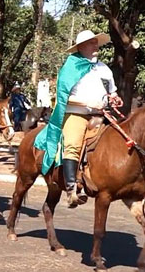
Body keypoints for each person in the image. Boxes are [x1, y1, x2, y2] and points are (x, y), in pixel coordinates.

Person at [34, 30, 122, 207]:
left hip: (101, 115)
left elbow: (112, 91)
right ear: (81, 47)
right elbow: (63, 98)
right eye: (91, 43)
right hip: (76, 114)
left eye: (96, 42)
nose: (95, 45)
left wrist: (115, 97)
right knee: (73, 145)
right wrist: (87, 102)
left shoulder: (104, 68)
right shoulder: (70, 67)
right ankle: (71, 189)